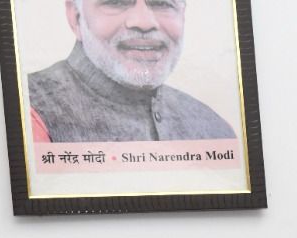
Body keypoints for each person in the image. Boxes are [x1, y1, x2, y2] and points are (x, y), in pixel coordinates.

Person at [27, 0, 237, 144]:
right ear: (75, 17)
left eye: (163, 2)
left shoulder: (215, 130)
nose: (144, 22)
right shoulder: (30, 114)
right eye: (116, 1)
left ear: (183, 15)